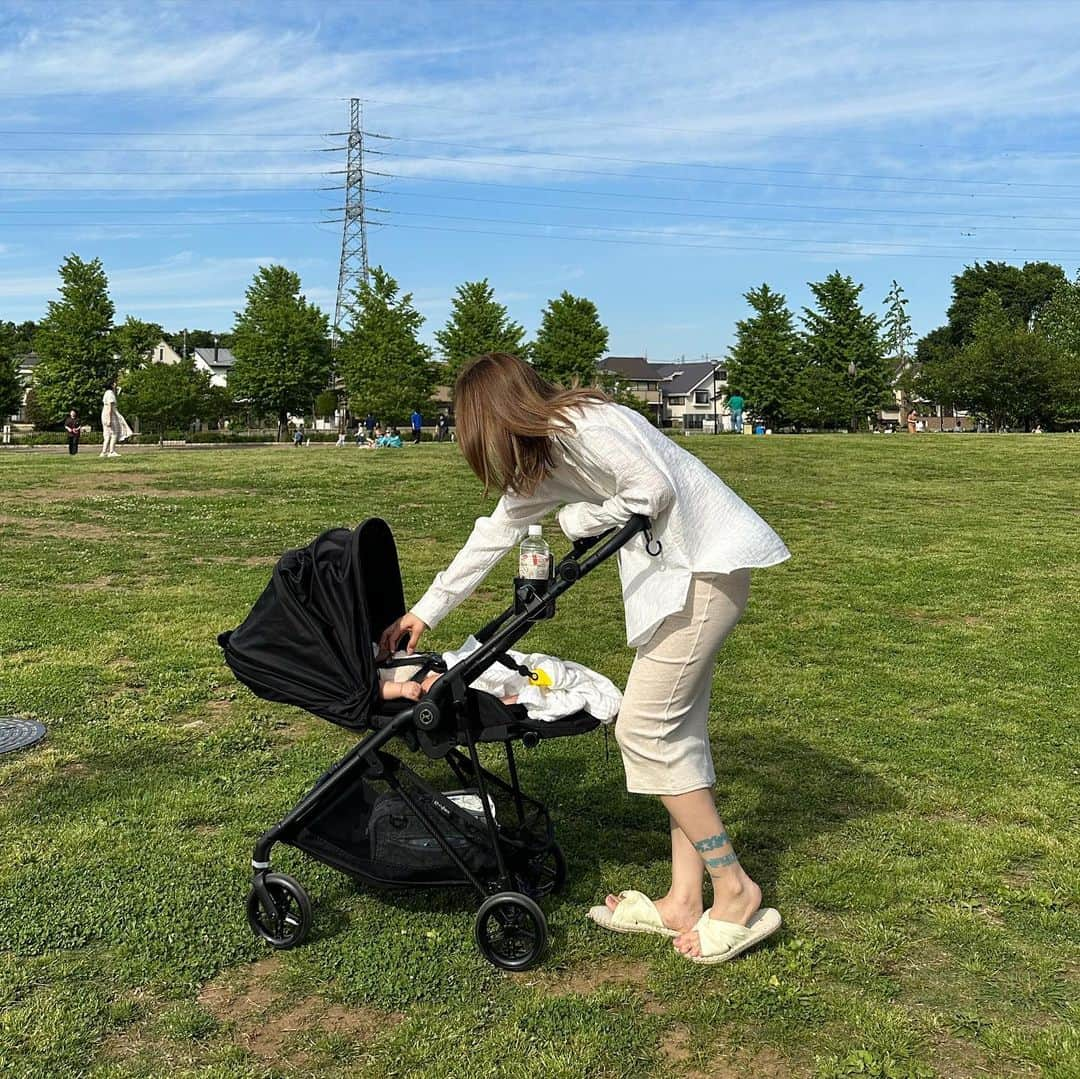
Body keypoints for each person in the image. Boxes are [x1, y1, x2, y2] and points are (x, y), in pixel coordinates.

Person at [378, 352, 790, 965]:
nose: (483, 446)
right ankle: (683, 898)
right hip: (680, 578)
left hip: (704, 570)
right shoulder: (542, 459)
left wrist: (576, 519)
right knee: (676, 735)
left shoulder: (585, 426)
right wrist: (425, 613)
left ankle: (734, 890)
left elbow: (653, 489)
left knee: (645, 731)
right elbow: (493, 534)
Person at [100, 380, 130, 458]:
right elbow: (110, 406)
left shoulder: (107, 393)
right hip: (110, 414)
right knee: (114, 433)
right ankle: (111, 451)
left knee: (107, 435)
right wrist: (109, 418)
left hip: (105, 413)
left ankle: (104, 452)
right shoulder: (110, 393)